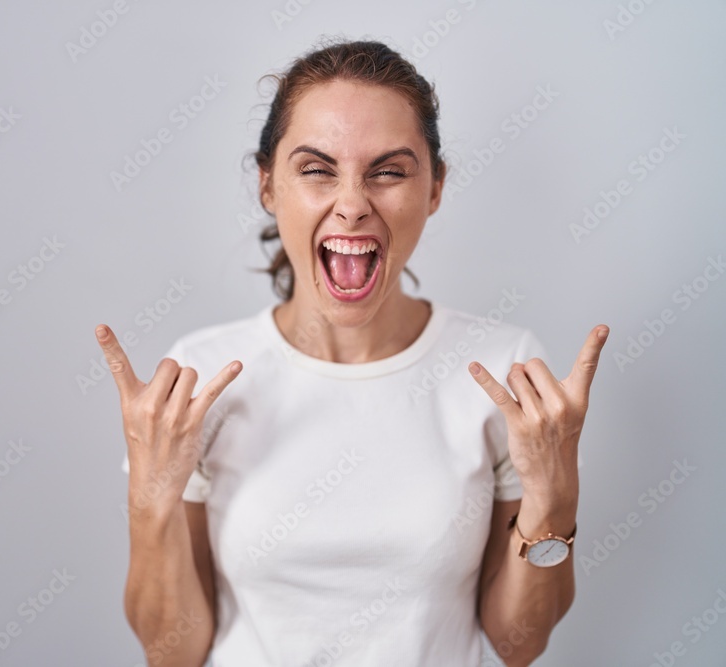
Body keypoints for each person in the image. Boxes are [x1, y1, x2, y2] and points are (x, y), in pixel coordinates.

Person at [96, 37, 609, 667]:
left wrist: (554, 495)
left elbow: (517, 643)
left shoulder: (503, 374)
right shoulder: (201, 381)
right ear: (267, 184)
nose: (352, 204)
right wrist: (151, 494)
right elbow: (170, 652)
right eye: (316, 169)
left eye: (388, 171)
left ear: (435, 188)